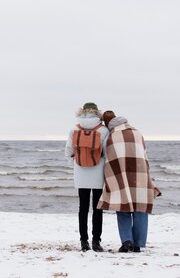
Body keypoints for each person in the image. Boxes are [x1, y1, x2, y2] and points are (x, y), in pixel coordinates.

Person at [97, 112, 161, 253]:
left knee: (123, 208)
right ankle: (138, 244)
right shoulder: (137, 133)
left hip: (121, 175)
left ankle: (127, 241)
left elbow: (108, 158)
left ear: (108, 124)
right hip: (140, 174)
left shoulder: (112, 136)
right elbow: (144, 153)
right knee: (140, 209)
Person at [65, 102, 109, 252]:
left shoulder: (74, 129)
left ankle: (84, 242)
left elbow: (68, 152)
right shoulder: (103, 130)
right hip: (98, 172)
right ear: (97, 112)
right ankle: (96, 241)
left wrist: (77, 164)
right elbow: (107, 153)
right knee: (98, 208)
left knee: (82, 208)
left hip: (80, 172)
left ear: (82, 112)